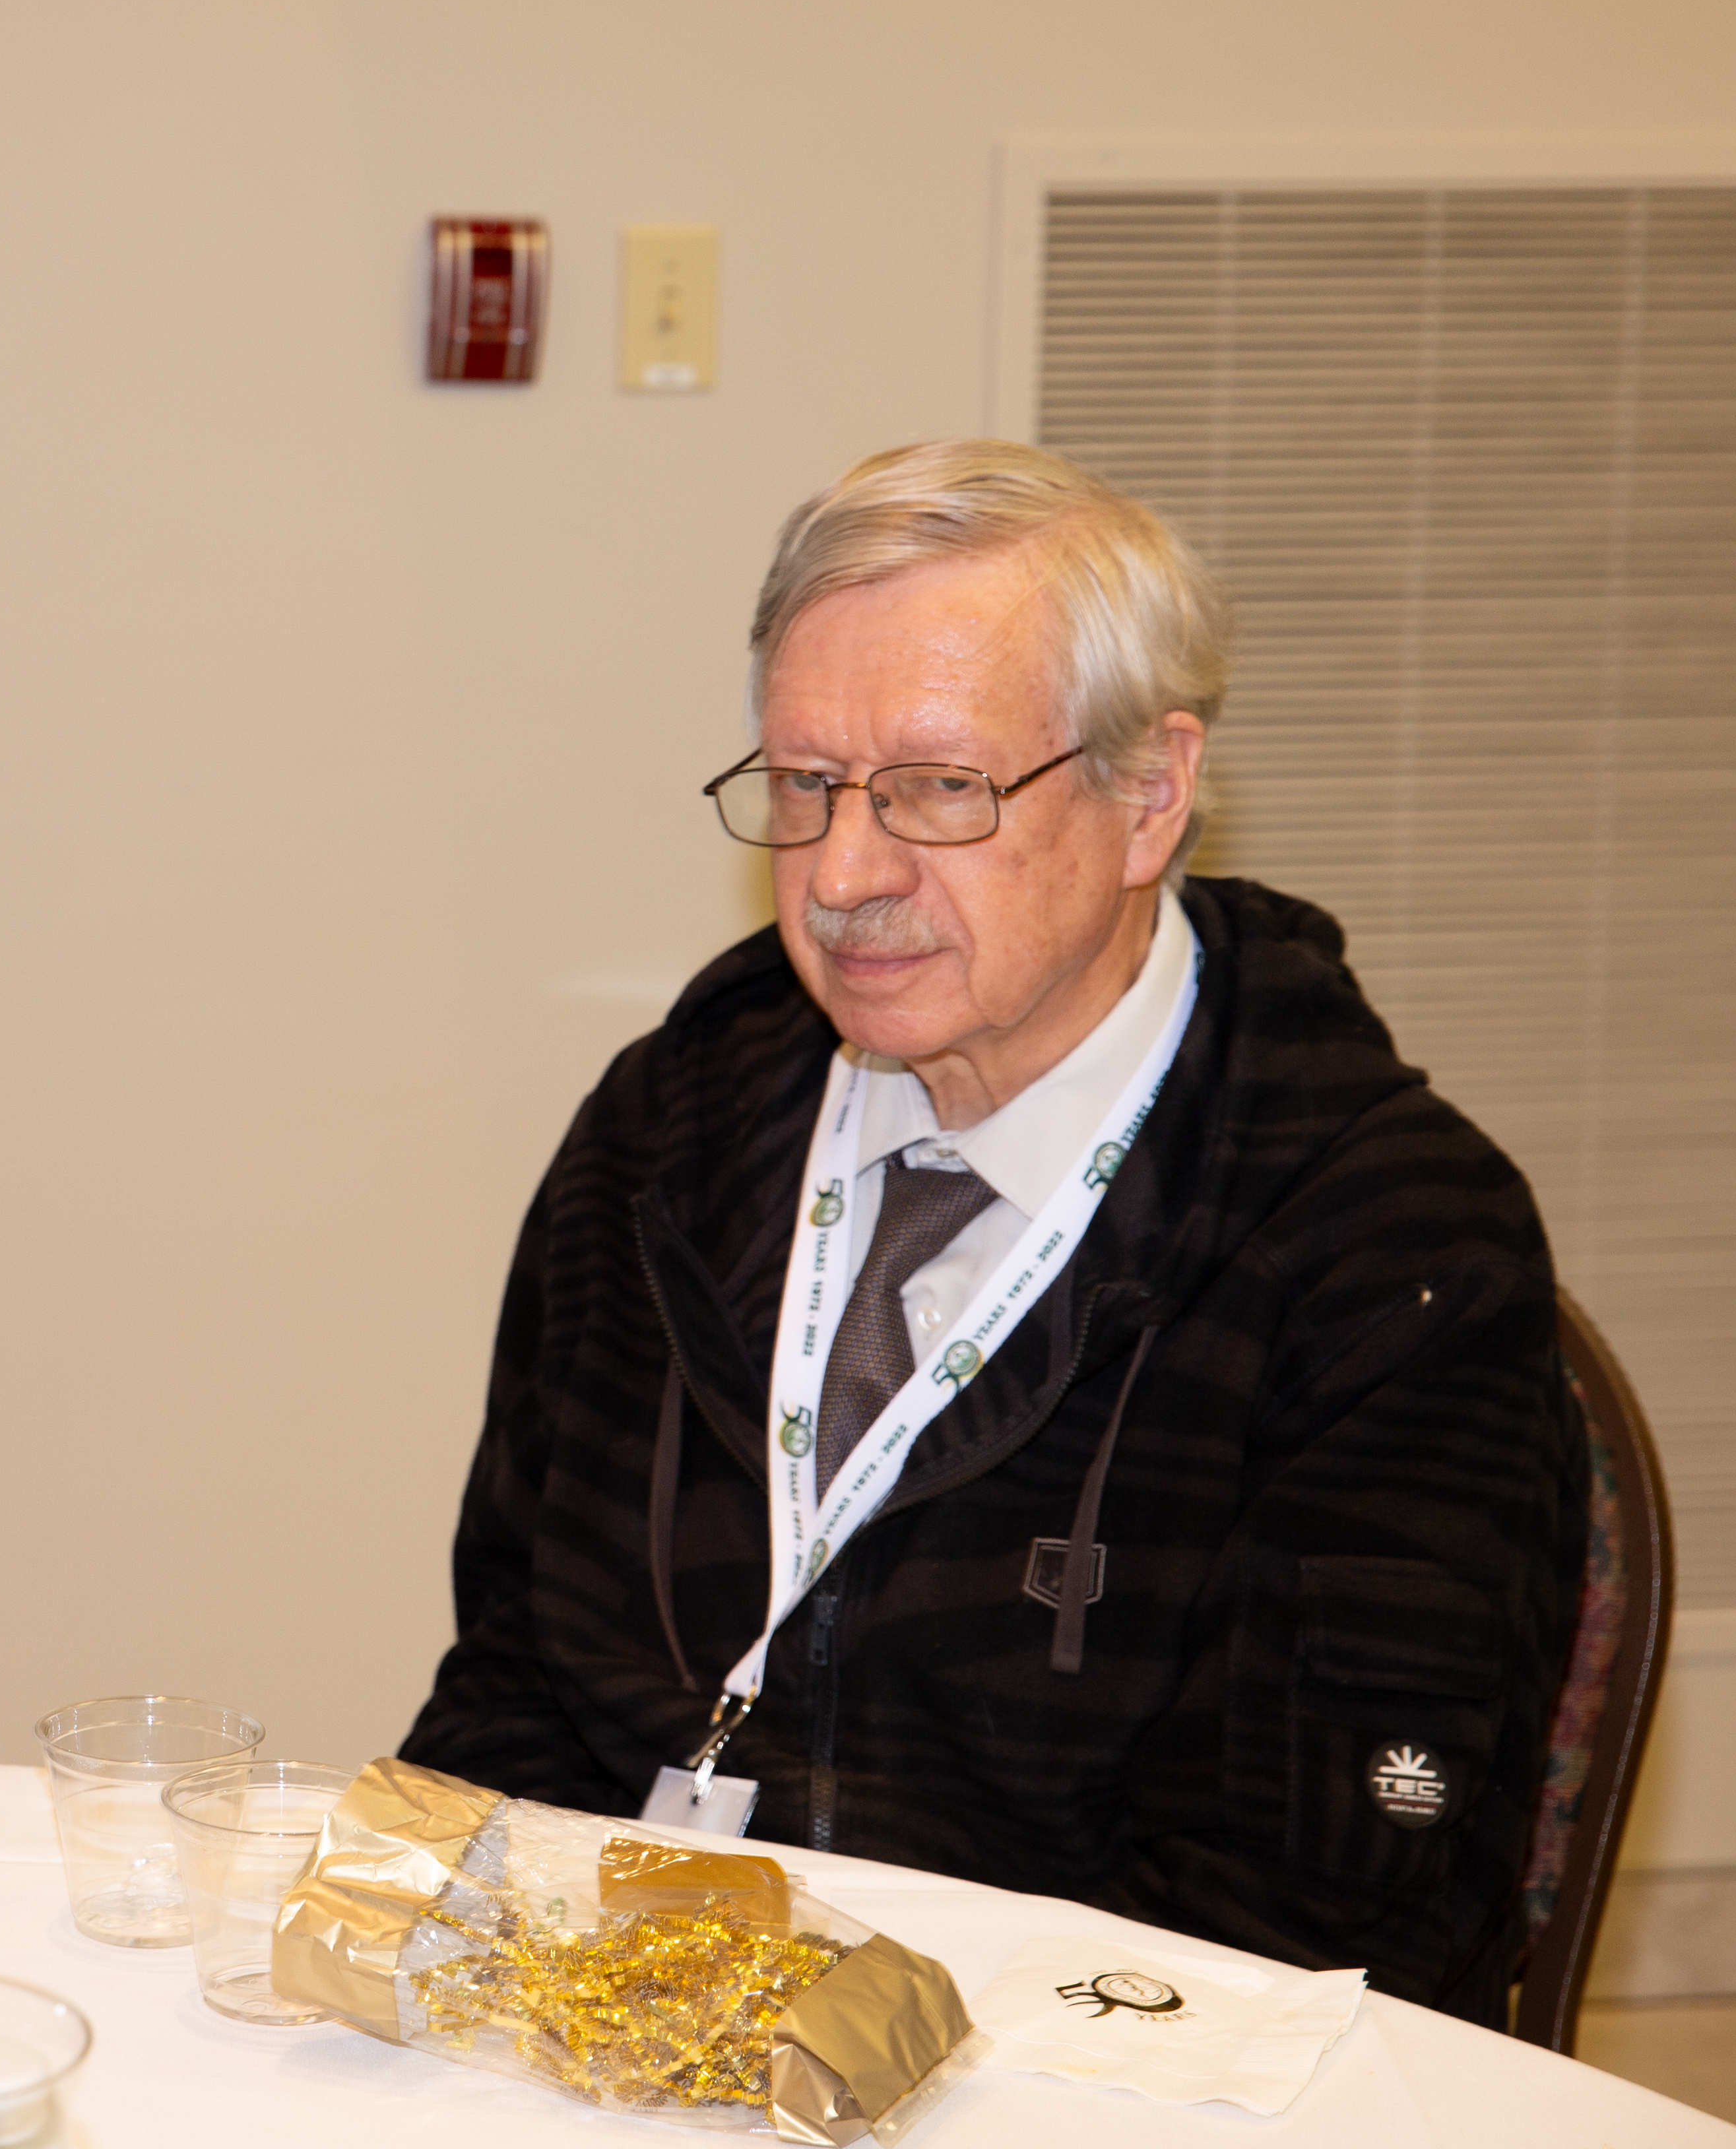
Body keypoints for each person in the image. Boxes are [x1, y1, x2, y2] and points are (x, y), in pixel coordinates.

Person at [402, 440, 1584, 2024]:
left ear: (1149, 795)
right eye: (806, 786)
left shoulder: (1386, 1248)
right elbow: (515, 1681)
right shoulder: (674, 1126)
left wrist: (838, 2068)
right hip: (628, 2040)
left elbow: (1304, 1912)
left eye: (941, 791)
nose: (843, 875)